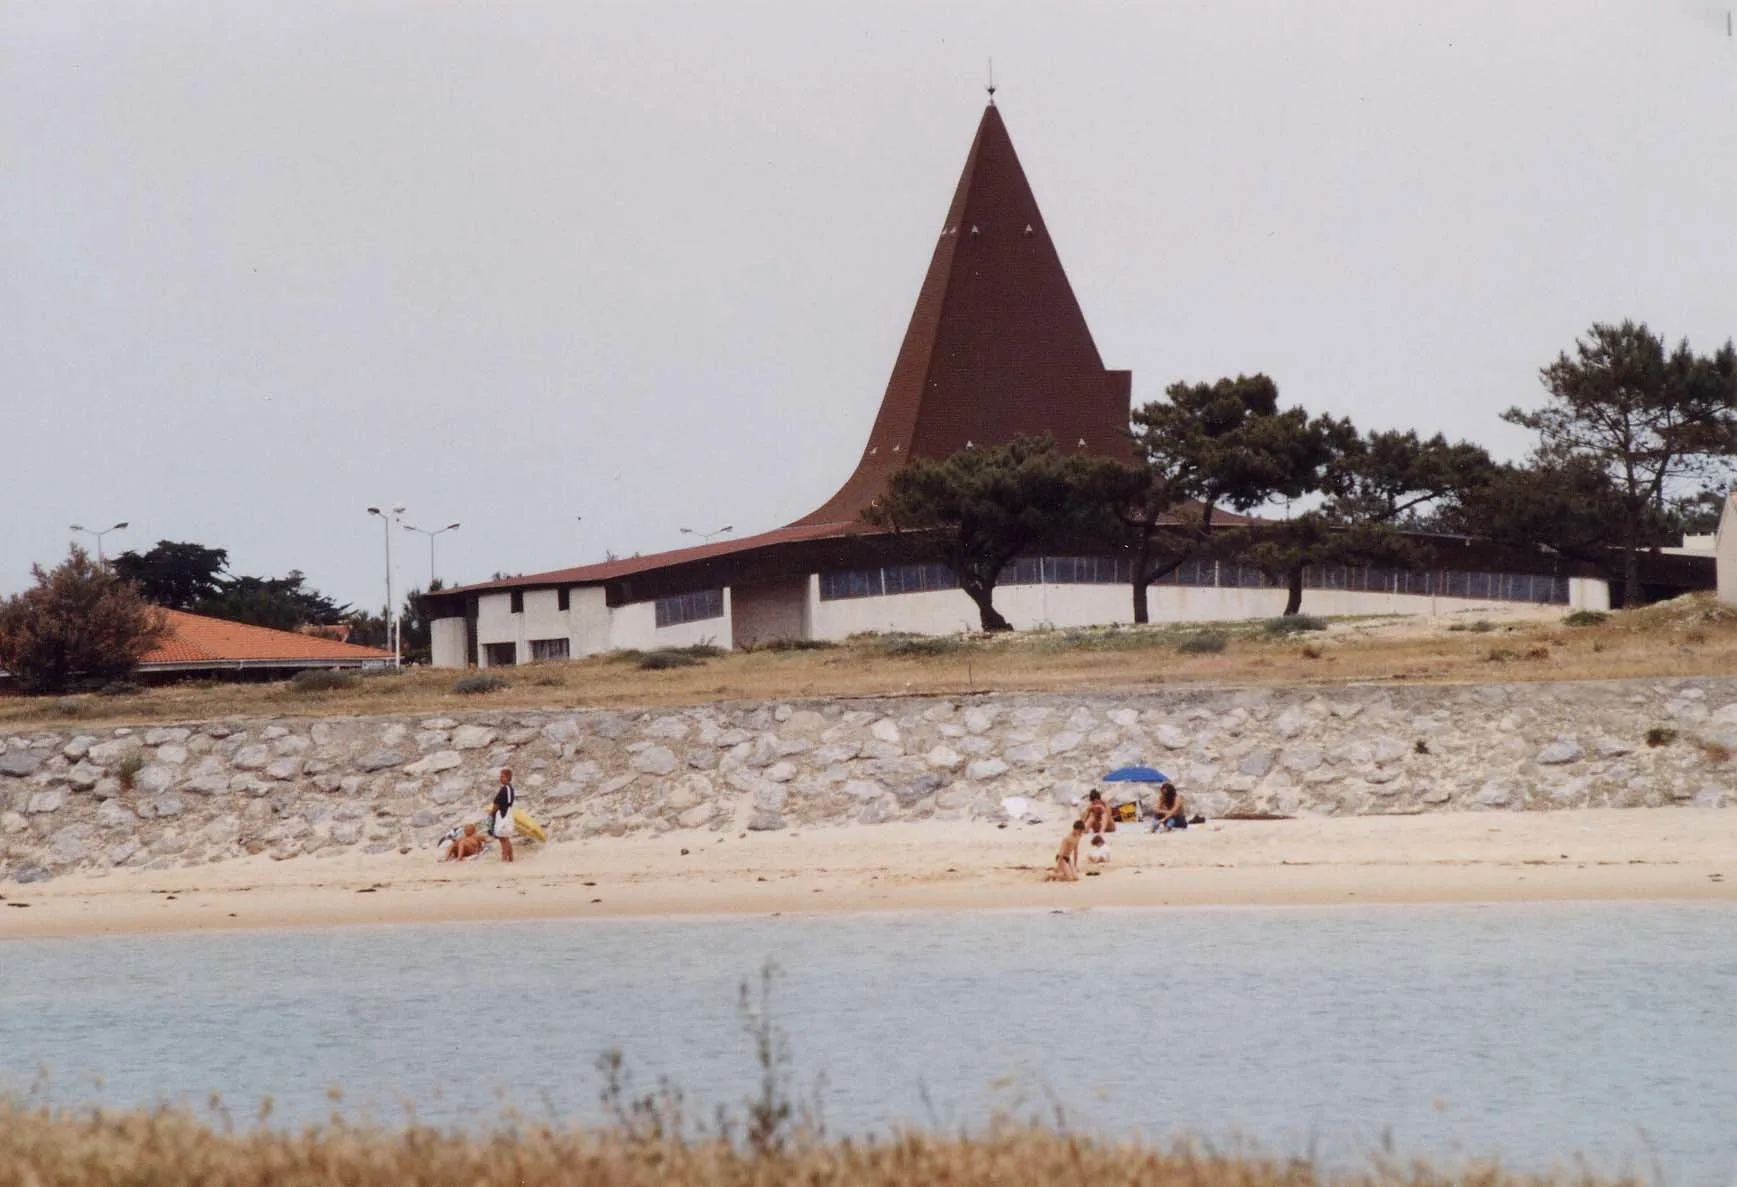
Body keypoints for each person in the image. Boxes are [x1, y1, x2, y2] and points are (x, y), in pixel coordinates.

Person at [491, 768, 517, 862]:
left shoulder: (504, 789)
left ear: (508, 777)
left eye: (502, 777)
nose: (500, 779)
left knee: (502, 837)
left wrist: (491, 814)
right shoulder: (510, 789)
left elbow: (497, 804)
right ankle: (510, 858)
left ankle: (504, 858)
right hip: (507, 812)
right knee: (505, 837)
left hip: (502, 814)